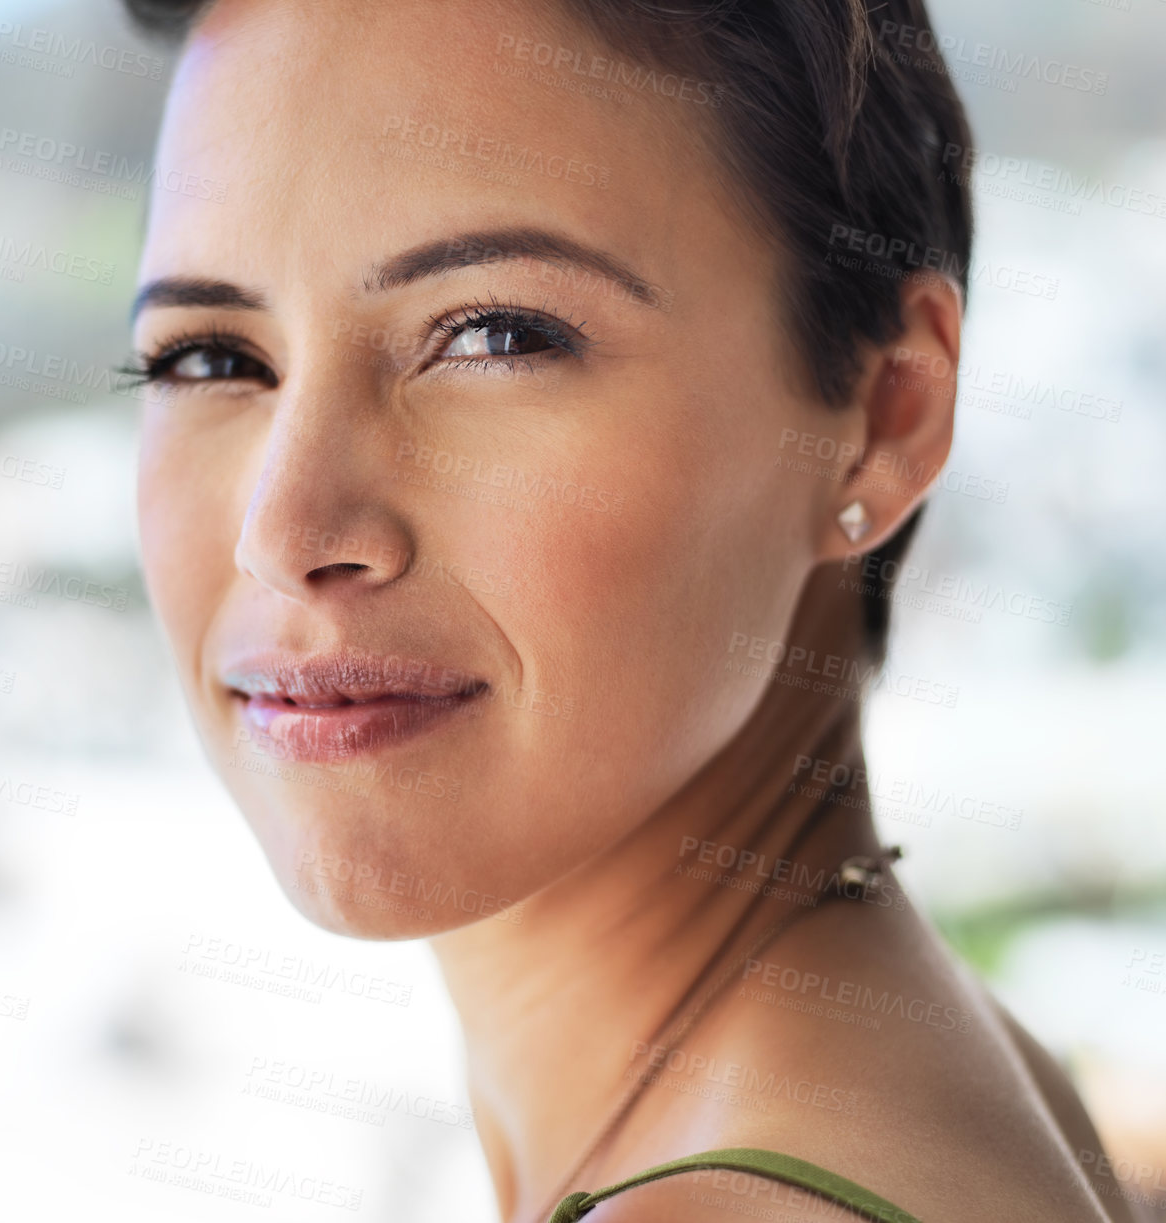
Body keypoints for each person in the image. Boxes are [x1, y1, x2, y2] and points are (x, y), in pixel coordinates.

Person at [120, 0, 1139, 1218]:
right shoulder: (951, 1078)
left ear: (883, 418)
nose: (283, 536)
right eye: (209, 357)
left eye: (498, 333)